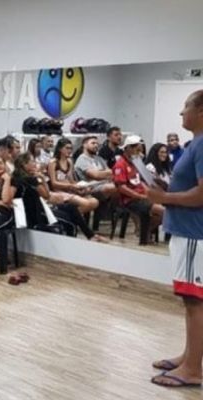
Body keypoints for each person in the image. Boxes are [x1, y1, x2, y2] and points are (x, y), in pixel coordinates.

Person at [147, 90, 203, 388]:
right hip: (186, 232)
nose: (181, 113)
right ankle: (189, 357)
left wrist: (165, 197)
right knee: (190, 300)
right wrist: (166, 188)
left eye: (185, 107)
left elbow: (202, 194)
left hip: (194, 234)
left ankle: (192, 369)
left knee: (195, 301)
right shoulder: (195, 145)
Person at [13, 153, 106, 243]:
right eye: (32, 161)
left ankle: (90, 235)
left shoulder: (20, 177)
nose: (35, 164)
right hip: (37, 213)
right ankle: (74, 243)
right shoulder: (31, 180)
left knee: (71, 207)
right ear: (24, 164)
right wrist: (42, 179)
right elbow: (46, 195)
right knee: (69, 219)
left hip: (41, 207)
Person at [113, 135, 165, 245]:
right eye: (137, 150)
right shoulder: (120, 164)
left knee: (164, 211)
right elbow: (121, 188)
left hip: (142, 196)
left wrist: (150, 193)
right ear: (128, 148)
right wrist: (140, 196)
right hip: (130, 200)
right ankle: (144, 233)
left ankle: (144, 232)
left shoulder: (136, 162)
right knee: (164, 212)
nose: (139, 153)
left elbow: (140, 182)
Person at [47, 138, 99, 214]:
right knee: (86, 204)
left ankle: (71, 216)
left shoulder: (69, 161)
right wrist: (71, 186)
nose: (69, 150)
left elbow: (71, 180)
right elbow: (54, 183)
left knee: (95, 201)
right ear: (60, 149)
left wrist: (81, 186)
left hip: (70, 189)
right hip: (59, 192)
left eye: (71, 148)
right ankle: (71, 217)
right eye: (67, 148)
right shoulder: (53, 163)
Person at [74, 136, 119, 201]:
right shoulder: (82, 159)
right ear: (84, 145)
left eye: (97, 144)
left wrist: (101, 173)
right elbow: (95, 175)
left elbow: (110, 172)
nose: (96, 145)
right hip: (91, 187)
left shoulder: (99, 158)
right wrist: (103, 173)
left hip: (104, 183)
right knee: (115, 187)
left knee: (124, 185)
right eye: (93, 143)